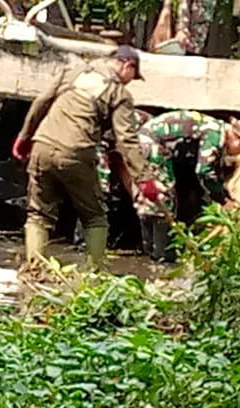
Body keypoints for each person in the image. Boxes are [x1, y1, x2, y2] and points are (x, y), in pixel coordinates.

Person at [11, 45, 148, 269]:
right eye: (132, 76)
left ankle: (34, 269)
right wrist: (144, 179)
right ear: (127, 66)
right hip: (76, 153)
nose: (129, 82)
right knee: (95, 217)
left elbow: (42, 101)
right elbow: (127, 141)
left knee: (38, 214)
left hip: (42, 146)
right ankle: (94, 274)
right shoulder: (119, 94)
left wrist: (24, 136)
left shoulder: (73, 71)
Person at [135, 110, 240, 260]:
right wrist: (222, 200)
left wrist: (225, 194)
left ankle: (150, 249)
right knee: (162, 197)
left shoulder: (215, 130)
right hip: (153, 144)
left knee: (153, 201)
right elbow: (204, 172)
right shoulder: (215, 135)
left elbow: (214, 171)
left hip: (150, 140)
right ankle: (163, 255)